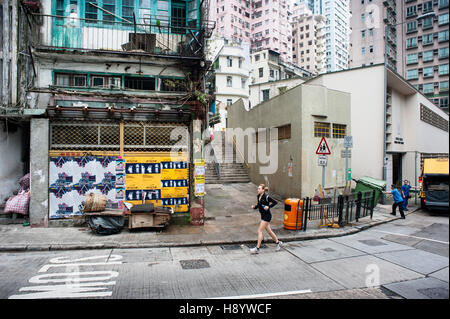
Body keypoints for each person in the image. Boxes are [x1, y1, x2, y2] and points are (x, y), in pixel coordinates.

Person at [250, 184, 282, 254]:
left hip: (267, 216)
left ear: (263, 190)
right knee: (269, 231)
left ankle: (257, 248)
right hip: (263, 215)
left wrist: (268, 207)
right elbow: (259, 205)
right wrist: (254, 207)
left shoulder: (266, 197)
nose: (258, 190)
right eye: (258, 188)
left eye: (259, 189)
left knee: (259, 231)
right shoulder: (258, 196)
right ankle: (278, 242)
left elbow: (275, 202)